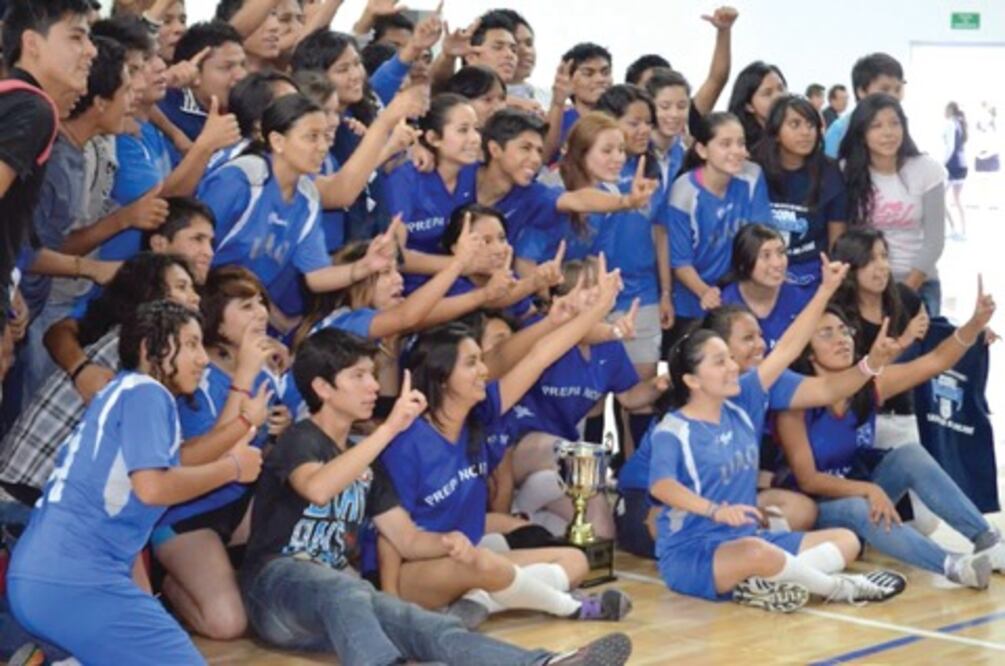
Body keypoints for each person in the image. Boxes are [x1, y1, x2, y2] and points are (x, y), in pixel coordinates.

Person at [239, 327, 633, 665]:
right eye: (358, 376)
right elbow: (319, 488)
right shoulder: (300, 438)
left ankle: (543, 662)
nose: (374, 386)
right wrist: (389, 429)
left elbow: (406, 537)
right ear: (322, 388)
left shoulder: (367, 461)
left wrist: (445, 542)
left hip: (335, 602)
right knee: (345, 589)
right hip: (274, 587)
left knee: (426, 626)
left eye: (372, 375)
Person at [7, 299, 263, 665]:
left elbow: (180, 462)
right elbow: (154, 487)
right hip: (76, 581)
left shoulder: (125, 392)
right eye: (190, 344)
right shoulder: (147, 392)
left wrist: (239, 432)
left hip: (45, 578)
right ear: (149, 349)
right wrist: (233, 469)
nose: (203, 359)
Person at [379, 256, 634, 622]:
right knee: (482, 563)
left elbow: (541, 354)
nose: (484, 370)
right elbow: (389, 534)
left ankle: (480, 603)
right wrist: (391, 604)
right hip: (413, 570)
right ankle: (572, 607)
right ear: (440, 376)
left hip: (468, 554)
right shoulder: (407, 440)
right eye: (471, 363)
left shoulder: (480, 416)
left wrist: (598, 310)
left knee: (575, 560)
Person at [646, 258, 905, 610]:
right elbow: (661, 486)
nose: (733, 366)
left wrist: (826, 289)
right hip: (694, 554)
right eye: (720, 362)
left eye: (730, 359)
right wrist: (715, 511)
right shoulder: (673, 430)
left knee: (846, 541)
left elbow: (787, 348)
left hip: (748, 539)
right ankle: (842, 588)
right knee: (757, 551)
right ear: (692, 380)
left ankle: (763, 583)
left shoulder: (743, 401)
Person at [775, 288, 1000, 589]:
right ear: (808, 351)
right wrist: (867, 490)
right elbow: (808, 480)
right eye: (826, 334)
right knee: (859, 506)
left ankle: (987, 539)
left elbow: (935, 361)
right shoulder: (796, 402)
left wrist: (974, 324)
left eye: (844, 330)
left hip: (860, 491)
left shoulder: (868, 385)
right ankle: (952, 565)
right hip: (816, 508)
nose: (841, 339)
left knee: (909, 455)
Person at [151, 266, 287, 641]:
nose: (260, 312)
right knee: (227, 624)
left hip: (238, 500)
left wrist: (282, 427)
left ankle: (234, 571)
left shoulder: (262, 368)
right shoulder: (195, 369)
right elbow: (208, 454)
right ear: (216, 320)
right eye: (246, 306)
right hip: (187, 511)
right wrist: (242, 380)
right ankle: (168, 588)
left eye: (261, 302)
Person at [0, 253, 201, 506]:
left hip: (32, 496)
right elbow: (159, 471)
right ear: (149, 294)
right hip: (24, 495)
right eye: (182, 287)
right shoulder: (133, 348)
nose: (195, 298)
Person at [196, 93, 396, 330]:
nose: (323, 147)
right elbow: (189, 251)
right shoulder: (241, 180)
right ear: (278, 141)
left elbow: (316, 277)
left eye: (325, 136)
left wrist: (364, 267)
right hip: (202, 303)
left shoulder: (307, 196)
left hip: (246, 312)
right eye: (312, 137)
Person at [0, 0, 97, 331]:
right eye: (76, 37)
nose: (90, 51)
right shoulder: (34, 109)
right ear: (32, 44)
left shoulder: (14, 101)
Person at [665, 112, 772, 345]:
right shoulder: (683, 192)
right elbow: (680, 262)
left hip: (739, 294)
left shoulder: (752, 175)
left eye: (741, 143)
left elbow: (761, 236)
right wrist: (704, 292)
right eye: (725, 144)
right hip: (694, 298)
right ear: (702, 150)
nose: (737, 151)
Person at [839, 93, 945, 317]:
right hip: (865, 283)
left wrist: (904, 291)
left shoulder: (927, 170)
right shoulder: (846, 171)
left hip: (919, 279)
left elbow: (935, 242)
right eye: (876, 126)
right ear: (862, 133)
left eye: (894, 124)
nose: (888, 133)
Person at [751, 94, 847, 285]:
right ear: (776, 132)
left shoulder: (830, 173)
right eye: (795, 125)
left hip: (812, 273)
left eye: (811, 125)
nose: (806, 132)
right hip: (759, 271)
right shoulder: (754, 170)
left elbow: (836, 244)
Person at [721, 225, 812, 349]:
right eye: (766, 256)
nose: (777, 263)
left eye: (781, 253)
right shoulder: (724, 304)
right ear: (743, 262)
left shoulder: (802, 301)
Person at [824, 53, 904, 158]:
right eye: (885, 89)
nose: (893, 96)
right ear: (862, 91)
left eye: (898, 89)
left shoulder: (899, 126)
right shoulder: (840, 131)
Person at [726, 61, 787, 149]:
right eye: (767, 93)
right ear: (749, 106)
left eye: (781, 89)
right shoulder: (743, 148)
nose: (778, 96)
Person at [943, 101, 968, 238]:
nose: (943, 112)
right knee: (957, 199)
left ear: (950, 110)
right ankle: (963, 230)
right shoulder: (960, 124)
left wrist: (942, 164)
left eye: (945, 109)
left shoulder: (950, 124)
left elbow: (950, 147)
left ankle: (953, 229)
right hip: (962, 164)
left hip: (953, 165)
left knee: (940, 199)